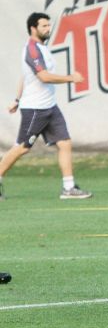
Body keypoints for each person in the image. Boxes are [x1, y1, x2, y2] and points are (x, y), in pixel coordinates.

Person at [0, 12, 92, 201]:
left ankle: (68, 188)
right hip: (35, 108)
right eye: (44, 26)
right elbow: (43, 77)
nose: (48, 28)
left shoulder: (42, 48)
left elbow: (25, 77)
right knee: (22, 147)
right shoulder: (32, 49)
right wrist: (71, 78)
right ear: (33, 28)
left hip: (50, 106)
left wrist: (16, 99)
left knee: (64, 142)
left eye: (49, 25)